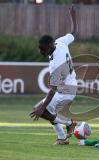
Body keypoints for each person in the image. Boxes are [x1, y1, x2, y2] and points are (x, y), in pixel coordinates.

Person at [30, 6, 78, 145]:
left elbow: (53, 89)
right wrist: (73, 17)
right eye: (39, 48)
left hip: (66, 90)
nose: (41, 51)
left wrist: (41, 107)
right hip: (69, 85)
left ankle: (70, 123)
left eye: (43, 49)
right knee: (44, 110)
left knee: (41, 109)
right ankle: (62, 138)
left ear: (50, 45)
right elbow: (74, 33)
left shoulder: (57, 64)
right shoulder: (60, 42)